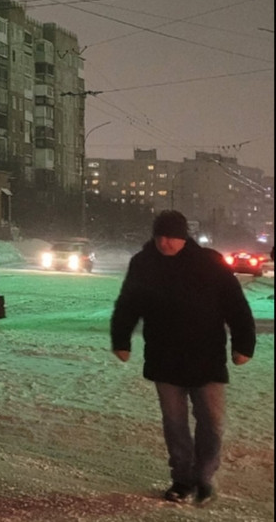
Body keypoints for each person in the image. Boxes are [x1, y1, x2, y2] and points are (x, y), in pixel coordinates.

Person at [110, 210, 256, 506]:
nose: (165, 242)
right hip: (164, 357)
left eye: (172, 237)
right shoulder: (144, 263)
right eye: (160, 236)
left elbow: (236, 306)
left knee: (211, 422)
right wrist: (121, 339)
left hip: (206, 357)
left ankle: (205, 477)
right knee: (175, 423)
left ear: (184, 237)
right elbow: (128, 304)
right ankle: (182, 479)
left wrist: (244, 344)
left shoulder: (209, 262)